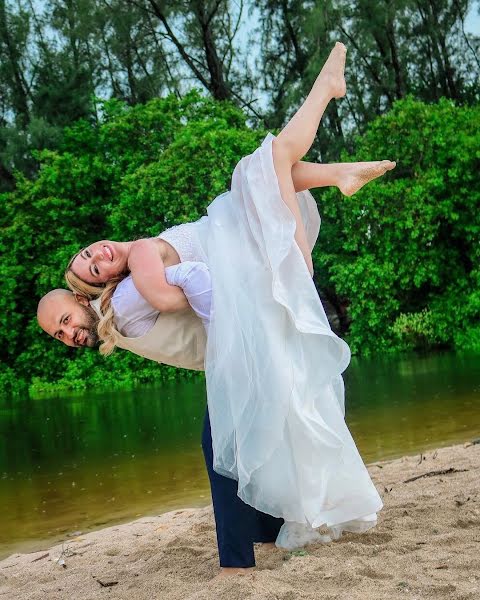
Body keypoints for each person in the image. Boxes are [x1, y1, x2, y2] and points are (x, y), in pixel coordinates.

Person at [38, 42, 396, 573]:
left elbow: (177, 294)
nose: (69, 331)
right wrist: (234, 305)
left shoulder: (132, 279)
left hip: (253, 275)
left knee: (272, 165)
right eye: (62, 333)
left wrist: (230, 304)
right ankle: (330, 118)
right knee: (269, 165)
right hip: (256, 281)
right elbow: (181, 296)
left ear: (82, 296)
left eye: (65, 317)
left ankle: (333, 126)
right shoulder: (126, 300)